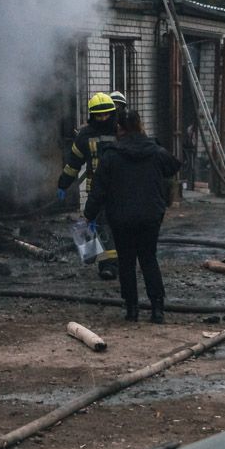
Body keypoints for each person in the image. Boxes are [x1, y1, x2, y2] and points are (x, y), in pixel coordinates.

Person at [85, 109, 182, 323]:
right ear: (140, 126)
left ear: (119, 128)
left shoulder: (111, 155)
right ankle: (157, 310)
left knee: (126, 262)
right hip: (150, 216)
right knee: (149, 259)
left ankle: (132, 309)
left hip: (121, 217)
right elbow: (174, 166)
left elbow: (98, 189)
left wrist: (89, 214)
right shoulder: (156, 151)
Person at [57, 92, 120, 280]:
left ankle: (115, 263)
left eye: (107, 114)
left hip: (121, 189)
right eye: (99, 115)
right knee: (100, 227)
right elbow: (73, 164)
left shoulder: (121, 131)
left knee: (117, 227)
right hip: (97, 191)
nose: (103, 118)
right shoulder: (84, 135)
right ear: (92, 115)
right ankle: (106, 265)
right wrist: (63, 184)